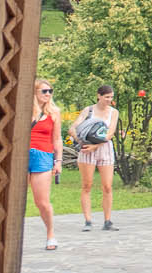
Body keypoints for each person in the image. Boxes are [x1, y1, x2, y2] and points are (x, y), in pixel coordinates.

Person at [70, 84, 119, 232]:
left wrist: (96, 146)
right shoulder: (89, 110)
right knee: (87, 185)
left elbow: (110, 133)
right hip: (87, 149)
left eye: (111, 97)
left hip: (104, 148)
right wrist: (80, 141)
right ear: (99, 96)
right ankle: (88, 221)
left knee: (107, 186)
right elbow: (73, 127)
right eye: (106, 97)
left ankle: (107, 221)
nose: (109, 100)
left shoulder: (113, 112)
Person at [27, 79, 61, 251]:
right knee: (14, 198)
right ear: (35, 92)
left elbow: (56, 138)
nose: (48, 94)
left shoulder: (54, 113)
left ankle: (50, 233)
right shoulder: (26, 110)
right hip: (23, 154)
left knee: (42, 201)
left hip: (43, 156)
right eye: (44, 91)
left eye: (50, 91)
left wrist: (58, 161)